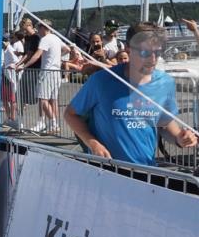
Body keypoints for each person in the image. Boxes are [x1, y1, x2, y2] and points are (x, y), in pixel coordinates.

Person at [64, 21, 197, 166]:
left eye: (157, 53)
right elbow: (70, 114)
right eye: (145, 52)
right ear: (128, 48)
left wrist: (179, 138)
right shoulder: (102, 80)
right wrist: (93, 143)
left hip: (145, 167)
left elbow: (164, 123)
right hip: (105, 167)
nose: (152, 59)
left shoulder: (164, 82)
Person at [18, 20, 64, 133]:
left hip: (47, 72)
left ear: (43, 27)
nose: (37, 30)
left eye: (39, 27)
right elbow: (67, 49)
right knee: (53, 100)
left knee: (42, 100)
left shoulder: (45, 39)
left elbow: (36, 55)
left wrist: (24, 66)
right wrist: (57, 57)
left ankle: (53, 124)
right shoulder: (56, 38)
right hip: (56, 72)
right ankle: (54, 125)